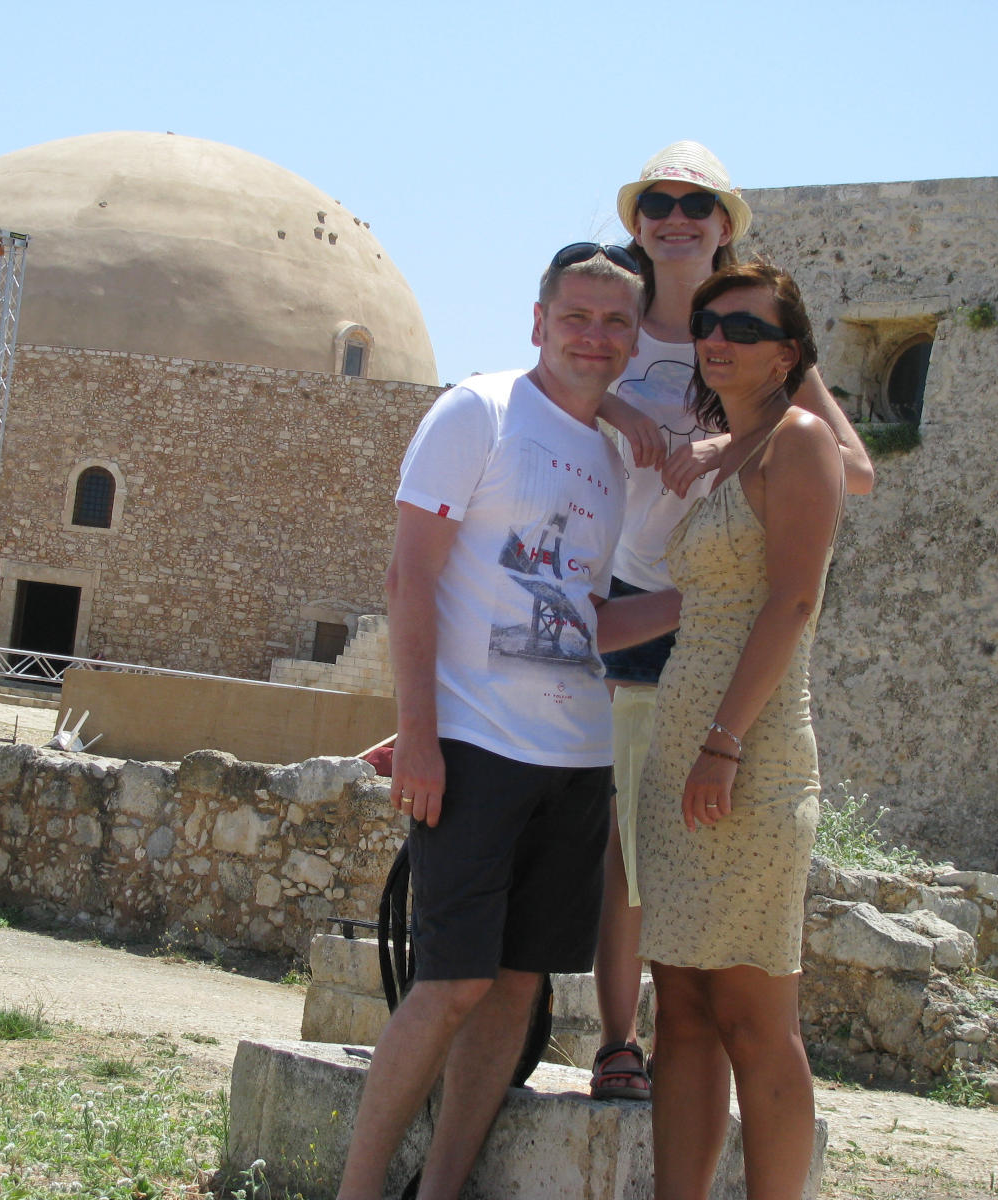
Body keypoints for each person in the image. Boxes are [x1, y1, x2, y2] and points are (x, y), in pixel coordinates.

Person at [336, 244, 679, 1200]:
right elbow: (410, 577)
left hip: (577, 757)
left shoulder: (608, 458)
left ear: (632, 340)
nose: (594, 337)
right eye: (576, 317)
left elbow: (580, 617)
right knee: (451, 982)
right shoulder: (477, 412)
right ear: (538, 322)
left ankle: (440, 1190)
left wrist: (698, 601)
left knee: (519, 984)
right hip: (476, 746)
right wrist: (420, 733)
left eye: (615, 323)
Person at [588, 141, 874, 1102]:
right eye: (658, 201)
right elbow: (549, 390)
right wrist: (620, 411)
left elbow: (853, 469)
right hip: (630, 595)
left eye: (694, 203)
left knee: (678, 839)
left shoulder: (756, 338)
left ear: (723, 224)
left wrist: (730, 443)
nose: (675, 217)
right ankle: (619, 1039)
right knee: (630, 839)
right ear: (637, 222)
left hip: (718, 617)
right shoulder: (617, 323)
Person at [634, 261, 843, 1199]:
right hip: (680, 751)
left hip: (748, 755)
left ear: (786, 355)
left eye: (746, 328)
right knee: (679, 1009)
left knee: (755, 1017)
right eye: (709, 322)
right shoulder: (728, 449)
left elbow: (792, 600)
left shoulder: (801, 440)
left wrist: (724, 743)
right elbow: (700, 602)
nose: (718, 338)